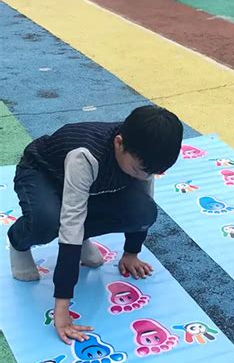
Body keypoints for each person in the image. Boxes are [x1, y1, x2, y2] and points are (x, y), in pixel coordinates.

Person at [8, 105, 183, 343]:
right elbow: (71, 222)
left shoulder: (143, 156)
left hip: (90, 188)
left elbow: (144, 200)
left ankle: (84, 236)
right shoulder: (86, 156)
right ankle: (18, 240)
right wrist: (62, 308)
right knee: (47, 222)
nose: (142, 176)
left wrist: (131, 253)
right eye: (137, 170)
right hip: (43, 174)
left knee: (143, 211)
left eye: (152, 172)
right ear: (119, 143)